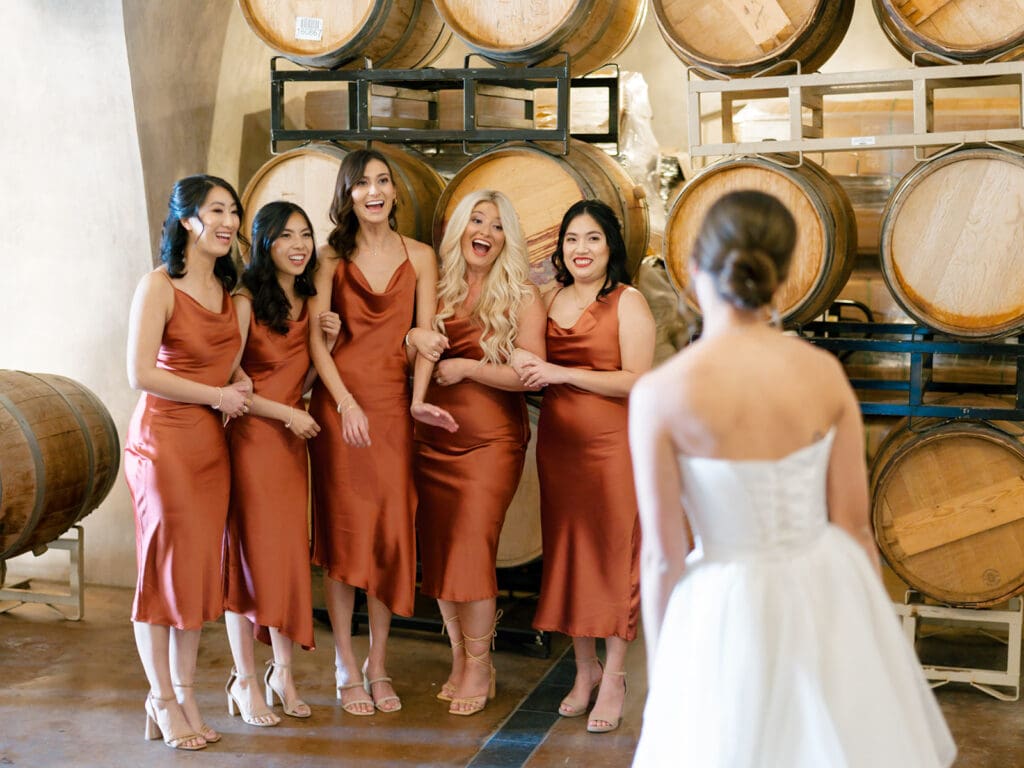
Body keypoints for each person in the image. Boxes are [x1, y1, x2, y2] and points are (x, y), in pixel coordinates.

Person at [628, 190, 956, 767]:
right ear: (781, 278)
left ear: (698, 269)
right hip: (823, 587)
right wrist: (871, 639)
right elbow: (855, 527)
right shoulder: (824, 375)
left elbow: (661, 556)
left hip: (723, 602)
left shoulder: (661, 393)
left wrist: (667, 676)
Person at [307, 148, 449, 716]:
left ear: (395, 192)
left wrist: (416, 402)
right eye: (362, 182)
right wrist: (344, 404)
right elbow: (318, 341)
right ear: (347, 194)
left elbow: (425, 338)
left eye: (383, 181)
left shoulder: (421, 256)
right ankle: (345, 664)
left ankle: (379, 664)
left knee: (391, 535)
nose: (374, 190)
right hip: (342, 408)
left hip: (392, 409)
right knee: (346, 536)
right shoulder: (326, 259)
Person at [516, 199, 655, 734]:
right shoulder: (548, 299)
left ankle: (615, 675)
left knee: (614, 554)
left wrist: (559, 373)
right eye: (572, 239)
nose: (582, 249)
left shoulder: (628, 301)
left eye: (593, 239)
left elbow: (635, 380)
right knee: (570, 553)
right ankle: (584, 668)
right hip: (561, 445)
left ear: (611, 247)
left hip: (614, 445)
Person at [124, 174, 252, 751]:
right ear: (187, 221)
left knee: (197, 579)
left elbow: (222, 366)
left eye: (234, 212)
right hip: (164, 447)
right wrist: (218, 396)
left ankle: (184, 695)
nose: (228, 222)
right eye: (217, 211)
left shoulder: (229, 291)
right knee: (162, 575)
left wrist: (237, 380)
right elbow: (142, 374)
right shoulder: (159, 285)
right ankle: (162, 698)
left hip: (209, 448)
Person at [411, 189, 546, 717]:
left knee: (470, 548)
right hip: (432, 435)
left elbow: (527, 373)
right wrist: (411, 341)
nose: (484, 231)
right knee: (441, 553)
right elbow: (409, 347)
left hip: (492, 439)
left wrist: (468, 368)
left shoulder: (521, 295)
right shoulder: (435, 285)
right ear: (461, 229)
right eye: (476, 219)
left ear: (506, 238)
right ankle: (459, 660)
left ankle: (481, 664)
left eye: (496, 224)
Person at [222, 201, 340, 727]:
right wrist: (286, 416)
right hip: (253, 441)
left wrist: (328, 346)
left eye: (306, 235)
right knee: (250, 560)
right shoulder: (244, 302)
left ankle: (283, 672)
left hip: (292, 443)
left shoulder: (309, 300)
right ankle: (244, 679)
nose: (299, 245)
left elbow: (303, 380)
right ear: (264, 243)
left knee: (290, 558)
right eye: (286, 236)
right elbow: (228, 387)